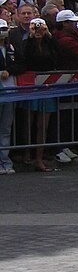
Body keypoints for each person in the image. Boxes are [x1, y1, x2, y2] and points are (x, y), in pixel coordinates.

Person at [14, 16, 58, 172]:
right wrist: (31, 36)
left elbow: (58, 54)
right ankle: (27, 153)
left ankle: (39, 158)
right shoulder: (27, 43)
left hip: (46, 86)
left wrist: (48, 35)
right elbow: (23, 57)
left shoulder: (49, 43)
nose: (38, 31)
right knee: (28, 122)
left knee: (42, 125)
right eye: (35, 27)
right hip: (31, 85)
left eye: (40, 27)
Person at [0, 19, 15, 174]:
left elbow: (20, 64)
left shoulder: (11, 47)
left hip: (9, 92)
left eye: (4, 28)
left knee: (5, 128)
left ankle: (5, 161)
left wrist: (10, 71)